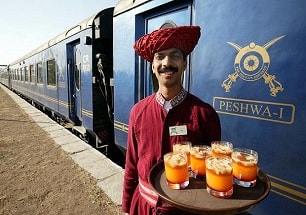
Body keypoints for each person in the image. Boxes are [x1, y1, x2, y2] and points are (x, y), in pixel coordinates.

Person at [122, 25, 221, 215]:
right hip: (143, 207)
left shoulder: (205, 114)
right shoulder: (138, 112)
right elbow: (131, 165)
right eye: (160, 56)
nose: (167, 62)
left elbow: (213, 170)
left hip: (186, 211)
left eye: (175, 55)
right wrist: (127, 207)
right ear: (152, 66)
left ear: (185, 64)